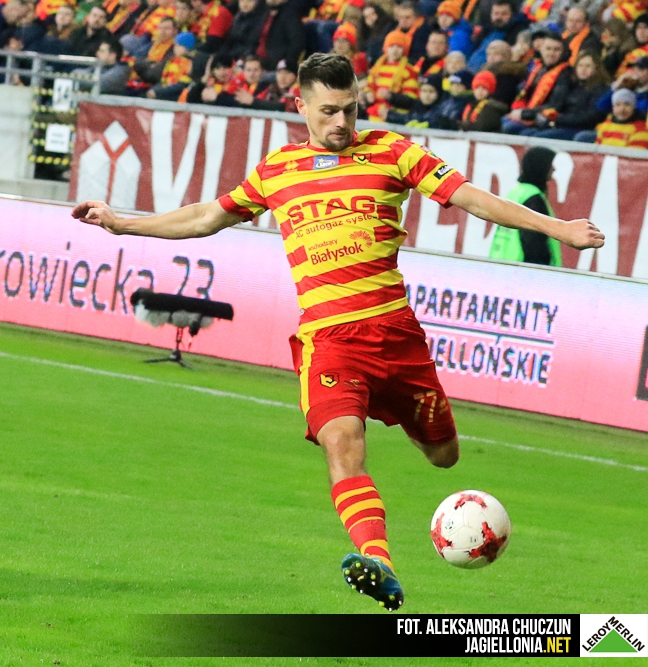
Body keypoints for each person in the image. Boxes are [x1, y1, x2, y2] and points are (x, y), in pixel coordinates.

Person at [70, 53, 604, 612]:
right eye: (328, 111)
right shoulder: (278, 170)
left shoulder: (394, 152)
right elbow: (207, 217)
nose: (342, 122)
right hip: (330, 342)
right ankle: (379, 562)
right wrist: (123, 222)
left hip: (396, 337)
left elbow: (470, 196)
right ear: (300, 106)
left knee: (444, 455)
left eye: (350, 109)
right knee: (343, 444)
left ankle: (409, 452)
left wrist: (557, 227)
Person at [489, 147, 563, 266]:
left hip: (502, 267)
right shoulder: (533, 198)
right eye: (550, 164)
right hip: (522, 271)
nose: (553, 168)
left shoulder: (516, 193)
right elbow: (535, 246)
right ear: (541, 167)